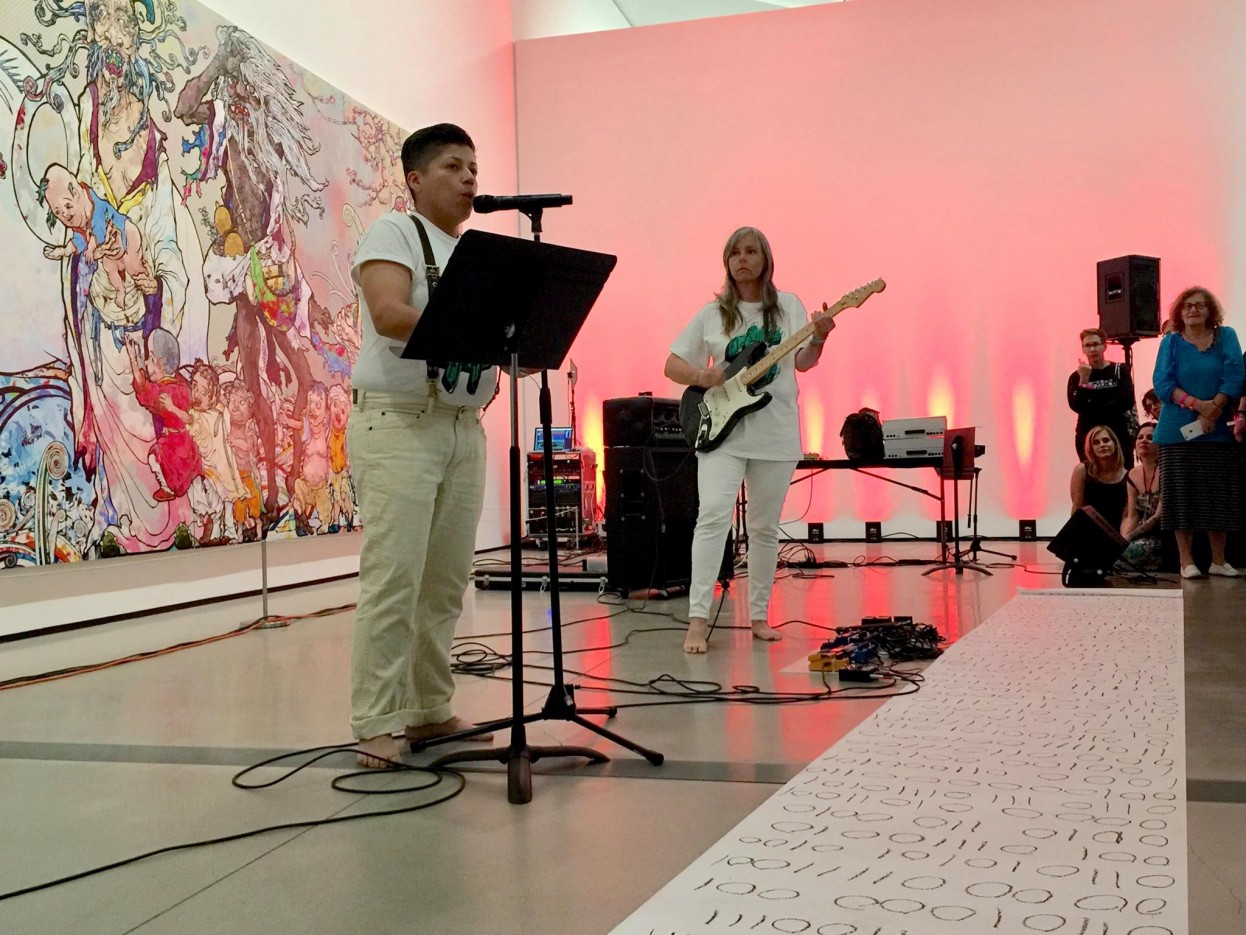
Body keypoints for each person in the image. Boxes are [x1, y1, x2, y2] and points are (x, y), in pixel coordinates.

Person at [347, 123, 496, 767]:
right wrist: (482, 330)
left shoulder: (476, 254)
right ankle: (376, 720)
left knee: (445, 585)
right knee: (395, 579)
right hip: (399, 423)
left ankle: (429, 709)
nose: (469, 179)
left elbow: (501, 339)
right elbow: (388, 313)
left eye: (474, 168)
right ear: (415, 178)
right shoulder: (395, 231)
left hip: (463, 428)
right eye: (453, 167)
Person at [665, 227, 834, 654]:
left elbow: (804, 362)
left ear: (765, 259)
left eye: (751, 251)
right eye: (735, 253)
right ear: (727, 262)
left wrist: (819, 335)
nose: (742, 259)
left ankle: (759, 616)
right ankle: (698, 620)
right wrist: (702, 375)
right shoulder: (713, 314)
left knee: (763, 528)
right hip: (723, 432)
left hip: (775, 432)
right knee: (712, 518)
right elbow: (672, 364)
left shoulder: (789, 306)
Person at [1152, 287, 1245, 578]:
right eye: (1188, 306)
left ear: (1210, 310)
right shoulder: (1171, 342)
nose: (1194, 310)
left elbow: (1236, 375)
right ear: (1179, 312)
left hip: (1216, 429)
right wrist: (1199, 406)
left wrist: (1214, 409)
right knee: (1181, 497)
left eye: (1200, 305)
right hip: (1176, 432)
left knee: (1218, 495)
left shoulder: (1226, 336)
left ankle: (1219, 561)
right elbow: (1162, 384)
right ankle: (1186, 562)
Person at [1068, 328, 1136, 468]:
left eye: (1096, 344)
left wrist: (1093, 407)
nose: (1092, 349)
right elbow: (1077, 406)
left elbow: (1127, 401)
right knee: (1091, 473)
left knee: (1124, 473)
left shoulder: (1119, 370)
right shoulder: (1076, 377)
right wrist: (1084, 380)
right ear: (1083, 349)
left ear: (1104, 346)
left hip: (1117, 432)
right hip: (1087, 433)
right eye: (1088, 346)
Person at [1120, 422, 1163, 572]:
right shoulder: (1132, 474)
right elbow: (1132, 516)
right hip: (1138, 536)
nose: (1144, 440)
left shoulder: (1167, 471)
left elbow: (1158, 517)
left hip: (1162, 536)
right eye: (1140, 437)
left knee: (1124, 554)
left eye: (1150, 437)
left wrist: (1129, 538)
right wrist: (1123, 539)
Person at [1069, 425, 1128, 531]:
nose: (1102, 445)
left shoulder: (1128, 476)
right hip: (1088, 531)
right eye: (1096, 442)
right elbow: (1077, 507)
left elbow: (1127, 515)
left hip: (1116, 532)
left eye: (1106, 440)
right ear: (1091, 448)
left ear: (1115, 444)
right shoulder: (1082, 470)